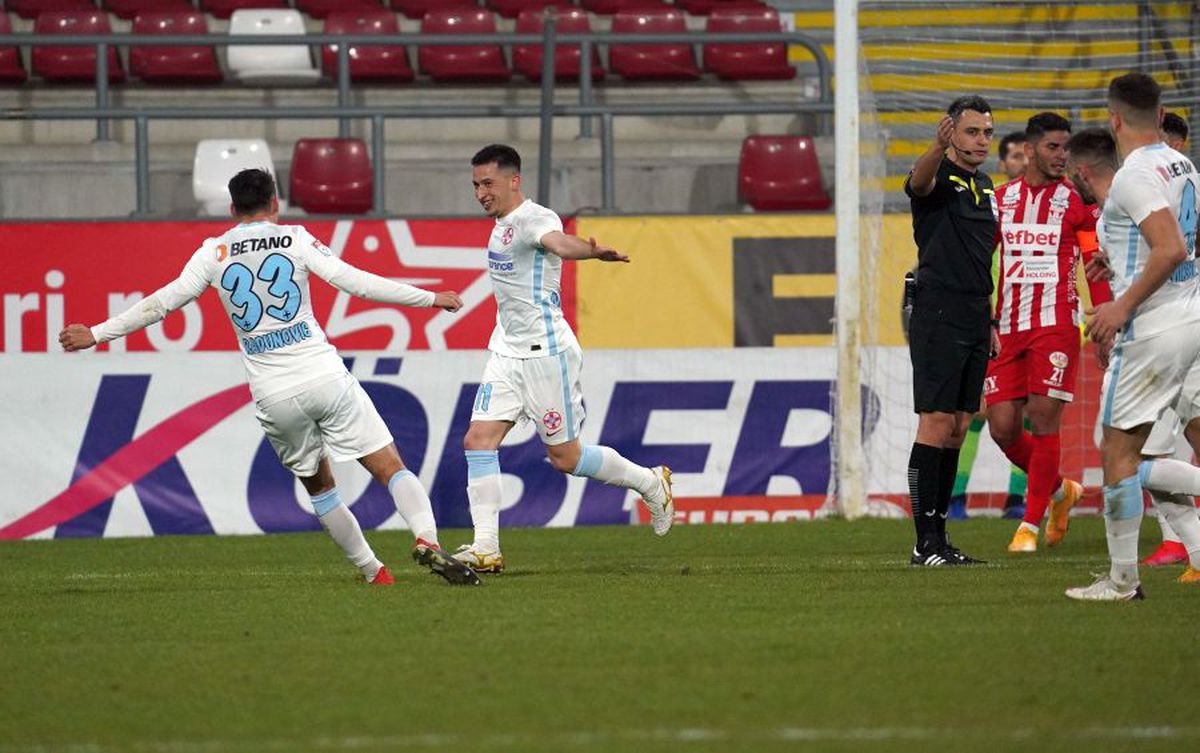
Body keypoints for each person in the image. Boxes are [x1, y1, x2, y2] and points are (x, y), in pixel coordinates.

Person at [58, 169, 481, 587]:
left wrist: (97, 333)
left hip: (274, 394)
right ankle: (426, 538)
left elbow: (162, 304)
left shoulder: (214, 252)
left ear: (231, 208)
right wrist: (429, 298)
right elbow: (357, 284)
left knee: (321, 490)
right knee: (389, 466)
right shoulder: (295, 238)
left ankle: (375, 572)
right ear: (275, 203)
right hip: (324, 377)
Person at [452, 144, 674, 573]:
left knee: (566, 459)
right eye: (476, 185)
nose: (481, 192)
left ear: (514, 180)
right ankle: (486, 548)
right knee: (477, 441)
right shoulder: (499, 224)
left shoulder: (535, 219)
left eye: (488, 183)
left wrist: (589, 252)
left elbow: (558, 243)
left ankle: (651, 482)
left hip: (545, 355)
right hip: (506, 352)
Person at [1066, 73, 1200, 601]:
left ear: (1113, 118)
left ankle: (1123, 581)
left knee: (1118, 453)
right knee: (1144, 449)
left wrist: (1122, 303)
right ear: (1161, 111)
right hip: (1189, 317)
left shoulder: (1133, 175)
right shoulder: (1182, 163)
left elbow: (1169, 248)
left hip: (1154, 327)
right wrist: (1119, 265)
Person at [986, 112, 1091, 553]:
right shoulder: (1000, 199)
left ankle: (1028, 525)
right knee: (1002, 428)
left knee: (1044, 418)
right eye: (1053, 147)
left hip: (1056, 323)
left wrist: (1103, 316)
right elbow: (979, 260)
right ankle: (1058, 491)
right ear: (1029, 150)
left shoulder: (1076, 202)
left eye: (1065, 147)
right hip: (1006, 326)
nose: (1061, 155)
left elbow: (1095, 263)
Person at [903, 95, 998, 566]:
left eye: (986, 133)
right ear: (951, 132)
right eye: (972, 132)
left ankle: (940, 538)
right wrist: (935, 149)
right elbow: (917, 185)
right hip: (938, 311)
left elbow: (985, 257)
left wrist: (993, 318)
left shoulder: (985, 184)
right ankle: (924, 542)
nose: (981, 140)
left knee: (960, 427)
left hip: (977, 314)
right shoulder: (938, 176)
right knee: (936, 423)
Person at [948, 131, 1038, 521]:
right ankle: (955, 496)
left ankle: (1018, 498)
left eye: (1024, 155)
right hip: (990, 318)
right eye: (1013, 156)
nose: (1020, 161)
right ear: (1003, 164)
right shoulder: (992, 205)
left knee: (1029, 413)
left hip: (1028, 318)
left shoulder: (1040, 207)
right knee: (976, 413)